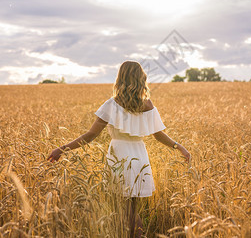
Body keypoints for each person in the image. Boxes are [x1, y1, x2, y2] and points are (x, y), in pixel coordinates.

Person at [47, 60, 191, 237]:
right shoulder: (147, 104)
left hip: (118, 156)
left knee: (125, 211)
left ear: (120, 78)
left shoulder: (111, 104)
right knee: (131, 209)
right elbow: (158, 135)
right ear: (140, 78)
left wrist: (62, 149)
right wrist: (180, 147)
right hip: (139, 157)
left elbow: (90, 136)